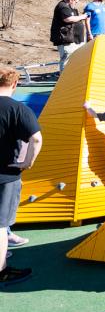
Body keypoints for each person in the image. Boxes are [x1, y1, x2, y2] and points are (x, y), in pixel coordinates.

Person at [1, 66, 43, 286]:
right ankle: (1, 270)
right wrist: (27, 162)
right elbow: (36, 139)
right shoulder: (18, 109)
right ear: (15, 84)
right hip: (6, 174)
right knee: (1, 225)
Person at [51, 0, 88, 72]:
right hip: (65, 40)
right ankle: (64, 77)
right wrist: (82, 17)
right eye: (75, 2)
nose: (75, 4)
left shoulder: (70, 7)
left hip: (74, 39)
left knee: (74, 60)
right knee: (66, 60)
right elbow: (68, 19)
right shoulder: (62, 6)